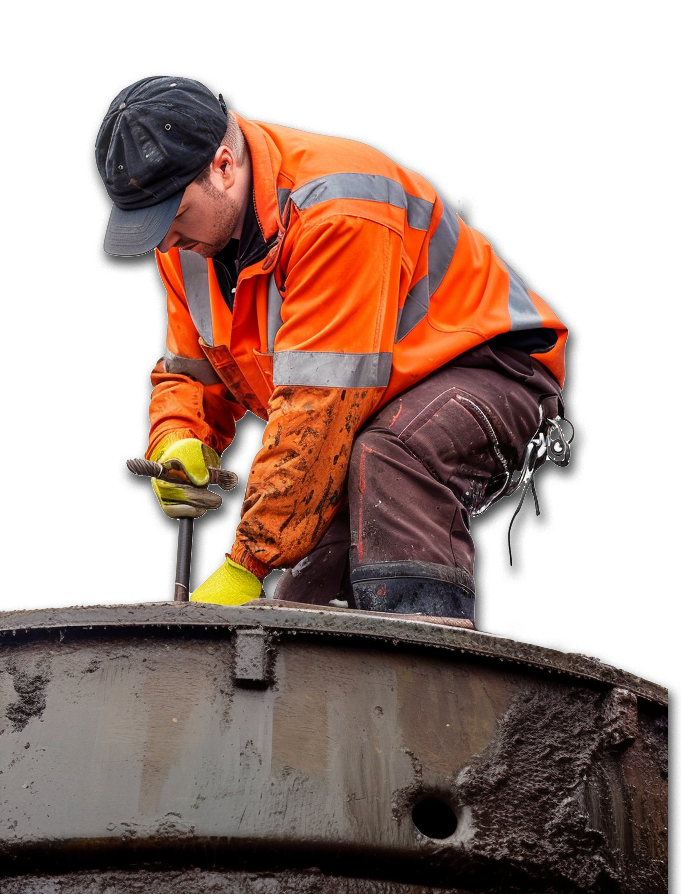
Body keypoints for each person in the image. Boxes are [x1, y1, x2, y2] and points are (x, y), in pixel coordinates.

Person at [95, 75, 572, 625]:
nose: (164, 241)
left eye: (172, 217)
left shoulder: (338, 208)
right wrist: (180, 437)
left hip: (496, 367)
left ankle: (425, 675)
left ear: (222, 166)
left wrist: (246, 564)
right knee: (303, 609)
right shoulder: (185, 242)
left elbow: (319, 406)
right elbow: (191, 366)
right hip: (374, 397)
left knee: (391, 457)